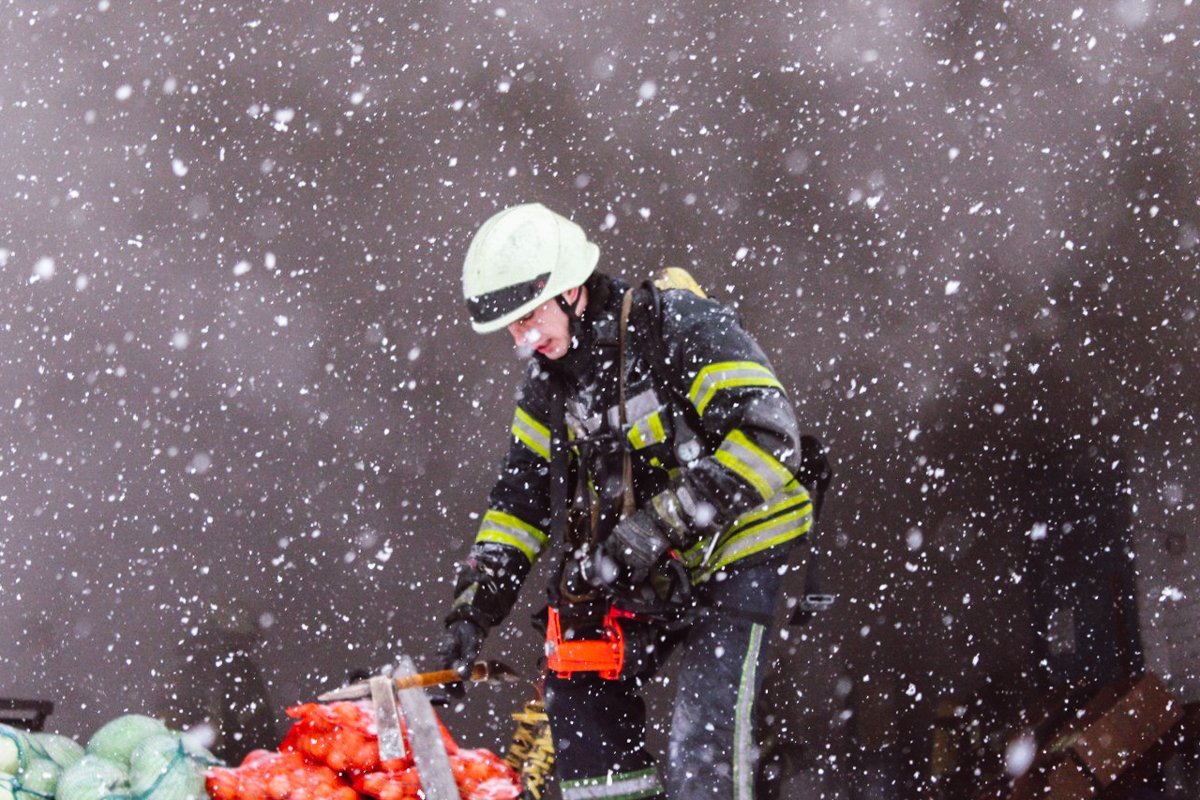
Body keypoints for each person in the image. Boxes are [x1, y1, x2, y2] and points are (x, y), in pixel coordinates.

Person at [433, 203, 821, 800]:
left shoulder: (677, 327)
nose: (524, 338)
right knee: (577, 698)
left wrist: (654, 528)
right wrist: (470, 616)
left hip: (737, 547)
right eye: (510, 328)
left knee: (703, 744)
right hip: (645, 565)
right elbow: (519, 504)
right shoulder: (548, 384)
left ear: (569, 289)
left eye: (530, 315)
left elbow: (771, 439)